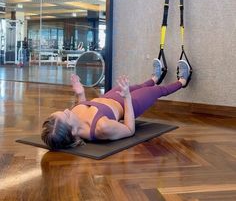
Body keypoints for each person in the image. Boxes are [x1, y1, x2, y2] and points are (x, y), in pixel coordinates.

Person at [41, 59, 191, 149]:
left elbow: (83, 110)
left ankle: (153, 78)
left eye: (63, 111)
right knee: (158, 90)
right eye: (66, 115)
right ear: (72, 132)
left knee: (140, 86)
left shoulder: (74, 122)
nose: (68, 109)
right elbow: (129, 129)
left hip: (109, 97)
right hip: (128, 104)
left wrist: (80, 93)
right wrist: (126, 97)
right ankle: (182, 81)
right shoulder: (102, 128)